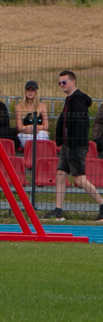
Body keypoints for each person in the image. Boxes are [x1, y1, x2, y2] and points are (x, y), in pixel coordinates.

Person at [45, 70, 103, 221]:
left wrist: (74, 142)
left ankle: (102, 205)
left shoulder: (78, 100)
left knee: (79, 179)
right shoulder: (69, 99)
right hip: (67, 144)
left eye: (64, 82)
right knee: (60, 174)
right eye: (60, 83)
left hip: (75, 145)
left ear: (73, 82)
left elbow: (80, 124)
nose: (61, 85)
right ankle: (58, 210)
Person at [15, 80, 50, 148]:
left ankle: (37, 153)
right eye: (28, 90)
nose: (30, 92)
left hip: (38, 134)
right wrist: (29, 129)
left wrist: (33, 128)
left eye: (33, 90)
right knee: (25, 138)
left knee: (42, 134)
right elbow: (19, 127)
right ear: (25, 92)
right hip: (25, 134)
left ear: (36, 92)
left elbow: (46, 126)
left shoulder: (42, 106)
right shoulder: (19, 107)